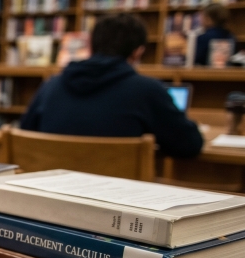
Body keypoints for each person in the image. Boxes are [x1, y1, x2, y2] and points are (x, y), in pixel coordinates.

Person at [21, 14, 203, 158]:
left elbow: (25, 137)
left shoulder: (51, 85)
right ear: (138, 52)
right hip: (116, 200)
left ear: (91, 46)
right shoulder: (147, 90)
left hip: (50, 195)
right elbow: (189, 145)